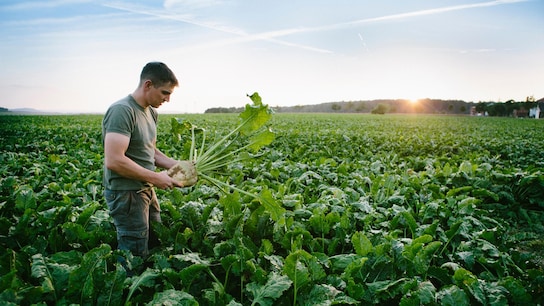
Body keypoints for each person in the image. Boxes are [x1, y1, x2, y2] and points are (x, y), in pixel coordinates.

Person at [102, 62, 193, 260]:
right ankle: (127, 286)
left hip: (145, 188)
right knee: (133, 251)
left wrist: (179, 165)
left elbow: (149, 150)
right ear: (148, 85)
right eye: (164, 93)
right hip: (126, 193)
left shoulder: (151, 112)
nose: (167, 99)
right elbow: (114, 160)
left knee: (154, 239)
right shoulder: (122, 111)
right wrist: (156, 178)